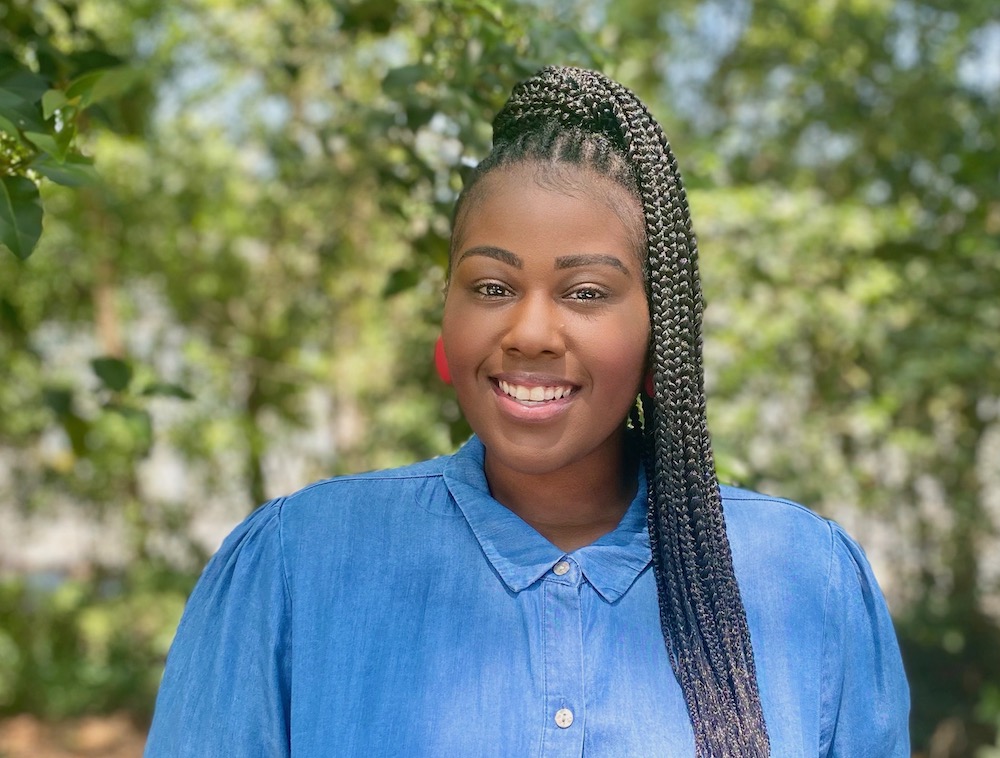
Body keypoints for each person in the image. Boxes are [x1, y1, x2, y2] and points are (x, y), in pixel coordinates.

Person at [144, 66, 910, 757]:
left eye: (585, 293)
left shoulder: (806, 581)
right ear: (445, 312)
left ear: (660, 333)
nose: (532, 333)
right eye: (491, 286)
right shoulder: (294, 566)